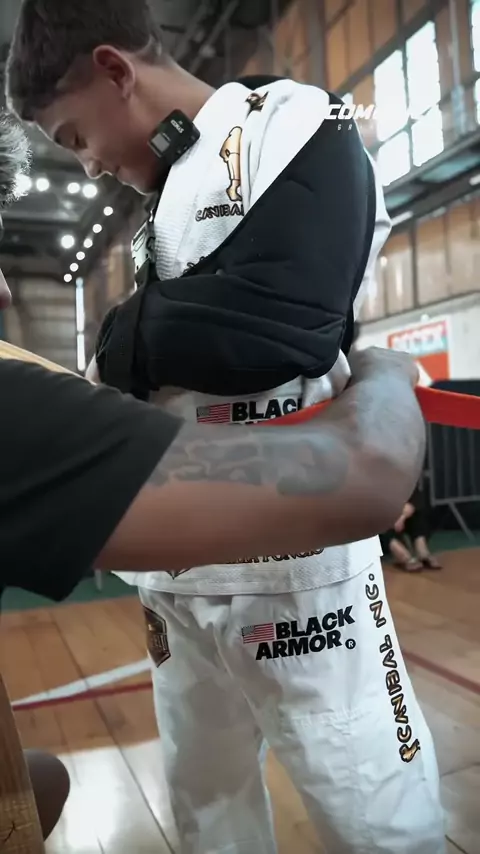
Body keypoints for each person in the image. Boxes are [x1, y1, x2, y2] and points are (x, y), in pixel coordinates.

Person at [5, 3, 445, 851]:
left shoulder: (296, 119)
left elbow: (278, 324)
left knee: (375, 812)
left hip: (301, 573)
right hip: (176, 580)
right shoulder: (164, 201)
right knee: (206, 808)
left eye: (75, 136)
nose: (88, 164)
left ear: (115, 71)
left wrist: (120, 337)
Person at [381, 482, 442, 572]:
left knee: (418, 512)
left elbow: (414, 499)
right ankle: (401, 553)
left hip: (399, 512)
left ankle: (421, 549)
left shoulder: (404, 477)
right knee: (377, 522)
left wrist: (402, 516)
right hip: (380, 514)